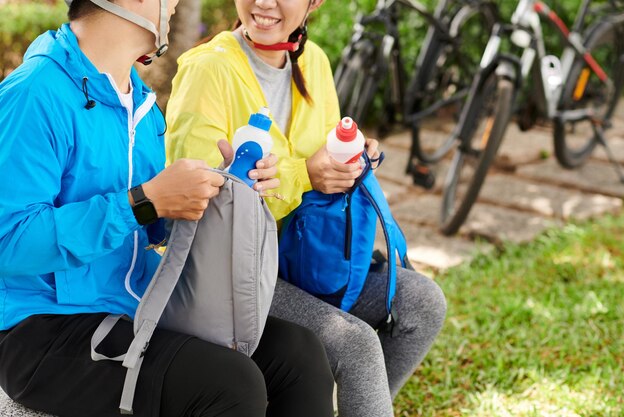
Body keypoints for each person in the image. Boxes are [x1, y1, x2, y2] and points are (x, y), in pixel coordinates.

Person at [0, 0, 336, 416]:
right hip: (43, 329)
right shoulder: (35, 93)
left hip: (133, 304)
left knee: (298, 355)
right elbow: (10, 241)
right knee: (229, 383)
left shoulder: (139, 104)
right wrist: (144, 202)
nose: (176, 3)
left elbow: (153, 226)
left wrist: (219, 188)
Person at [165, 0, 448, 416]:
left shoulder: (313, 61)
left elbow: (323, 160)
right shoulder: (207, 69)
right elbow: (197, 200)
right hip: (232, 272)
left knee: (422, 302)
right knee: (355, 344)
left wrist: (350, 157)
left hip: (306, 260)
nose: (264, 3)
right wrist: (305, 174)